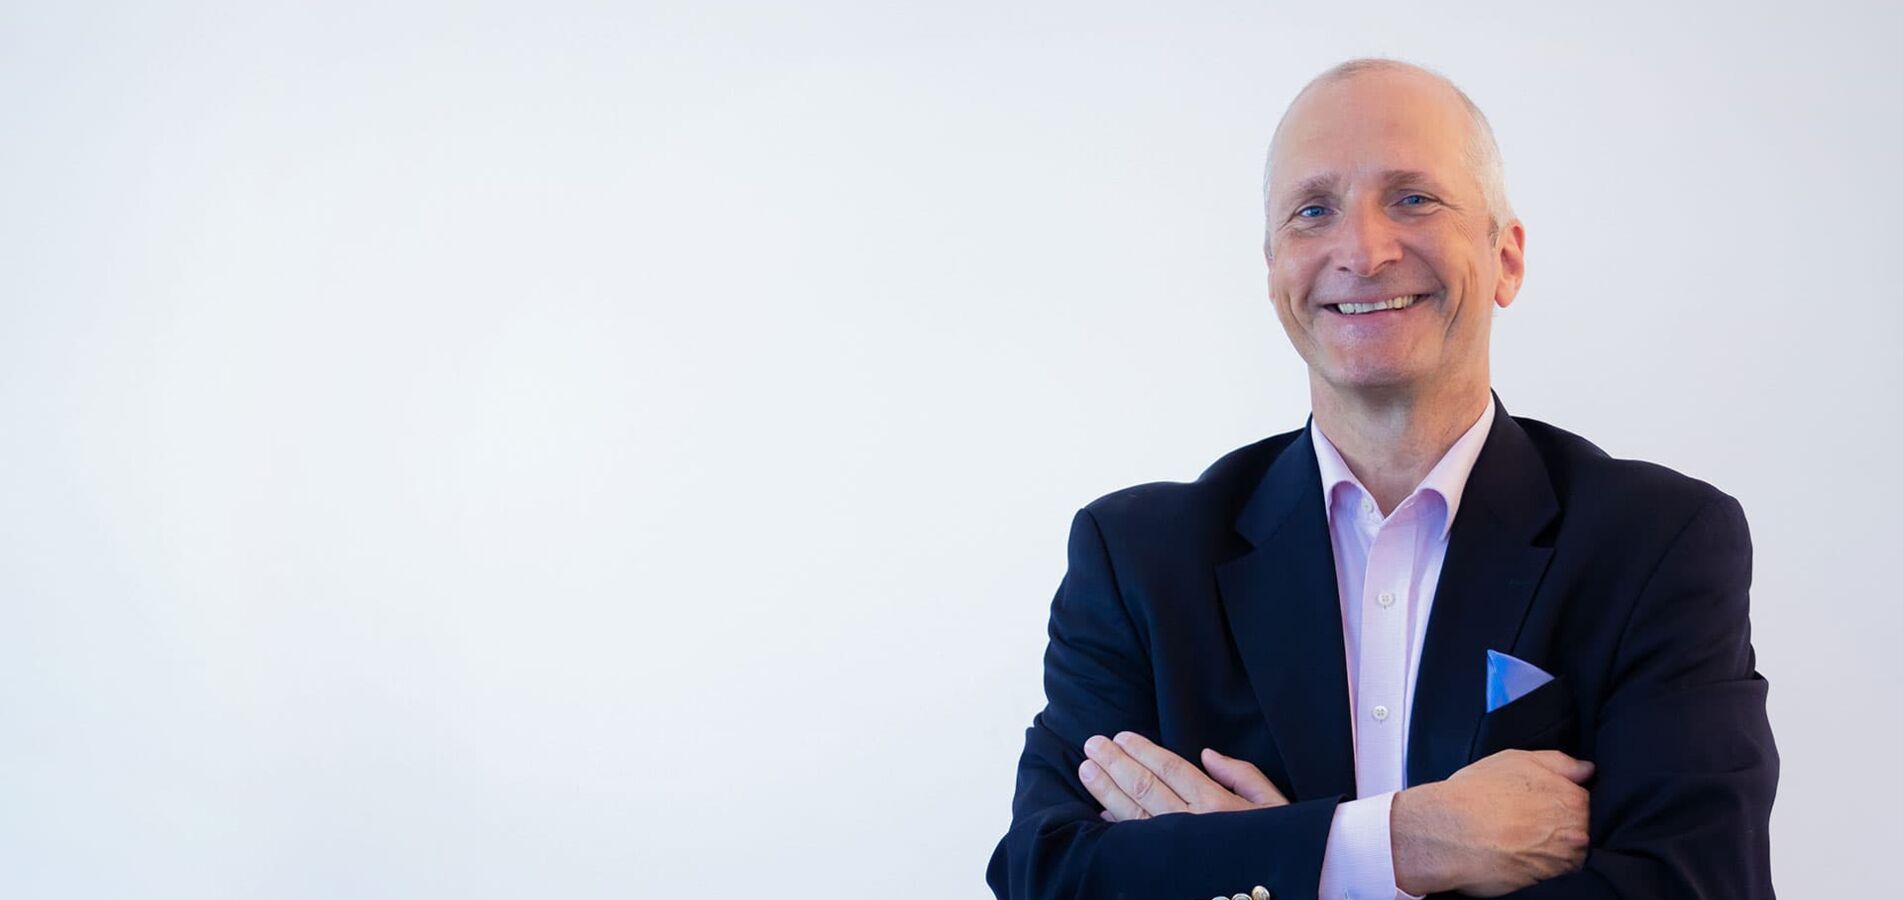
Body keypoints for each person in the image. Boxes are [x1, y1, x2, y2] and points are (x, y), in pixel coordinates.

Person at [986, 59, 1778, 899]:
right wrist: (1401, 843)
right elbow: (1047, 876)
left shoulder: (1655, 542)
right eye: (1312, 210)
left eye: (1413, 198)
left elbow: (1698, 884)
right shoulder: (1137, 559)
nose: (1361, 252)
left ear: (1505, 258)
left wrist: (1256, 855)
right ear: (1272, 272)